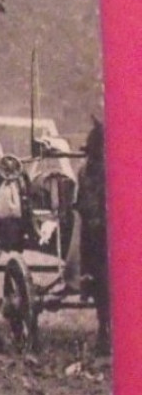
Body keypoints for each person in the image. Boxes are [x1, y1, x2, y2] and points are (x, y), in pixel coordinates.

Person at [76, 121, 108, 354]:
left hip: (103, 226)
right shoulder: (86, 172)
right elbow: (86, 207)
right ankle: (104, 330)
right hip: (95, 230)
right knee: (98, 276)